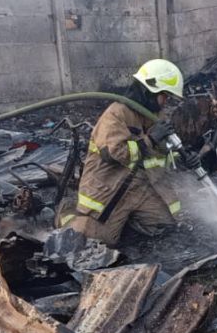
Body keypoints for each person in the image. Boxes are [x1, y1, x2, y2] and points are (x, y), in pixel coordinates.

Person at [61, 60, 194, 248]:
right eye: (165, 96)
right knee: (99, 242)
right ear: (150, 90)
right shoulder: (116, 114)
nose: (166, 102)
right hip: (109, 191)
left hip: (140, 189)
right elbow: (114, 153)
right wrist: (150, 140)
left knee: (165, 226)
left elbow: (160, 156)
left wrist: (182, 159)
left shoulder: (155, 117)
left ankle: (127, 221)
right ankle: (66, 214)